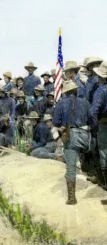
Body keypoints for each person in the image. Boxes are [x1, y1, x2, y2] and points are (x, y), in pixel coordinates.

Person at [53, 80, 91, 205]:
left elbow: (56, 122)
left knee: (71, 166)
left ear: (65, 92)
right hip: (86, 135)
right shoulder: (85, 102)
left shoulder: (61, 103)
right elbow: (92, 118)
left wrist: (62, 127)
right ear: (75, 90)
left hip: (72, 135)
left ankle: (71, 198)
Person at [90, 61, 107, 205]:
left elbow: (93, 112)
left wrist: (95, 127)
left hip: (104, 125)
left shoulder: (100, 91)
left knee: (104, 157)